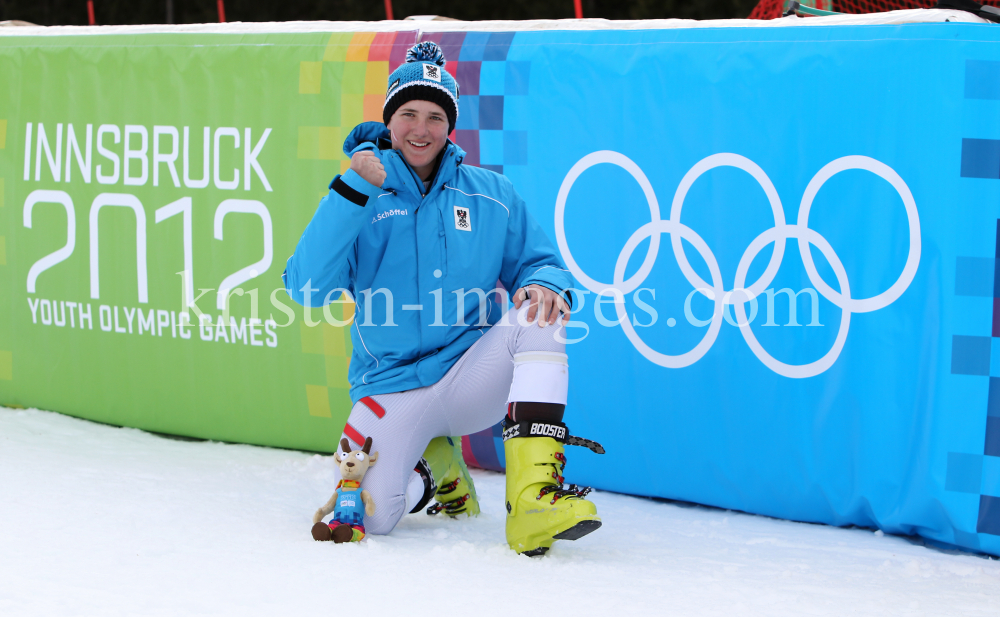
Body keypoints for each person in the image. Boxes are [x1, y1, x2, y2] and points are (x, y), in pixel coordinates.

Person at [283, 41, 603, 556]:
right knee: (372, 518)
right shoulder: (360, 194)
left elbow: (541, 262)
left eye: (435, 116)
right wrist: (351, 190)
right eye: (407, 113)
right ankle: (435, 467)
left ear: (449, 125)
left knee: (540, 317)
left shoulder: (490, 193)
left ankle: (533, 503)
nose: (420, 129)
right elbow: (305, 287)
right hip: (390, 389)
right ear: (389, 120)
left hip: (470, 377)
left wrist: (546, 282)